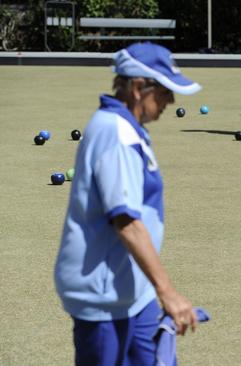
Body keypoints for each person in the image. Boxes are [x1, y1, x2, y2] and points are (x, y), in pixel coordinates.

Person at [53, 43, 201, 365]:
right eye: (164, 92)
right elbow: (127, 223)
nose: (170, 101)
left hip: (133, 287)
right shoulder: (115, 133)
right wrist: (168, 292)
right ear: (137, 88)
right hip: (104, 295)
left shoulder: (128, 128)